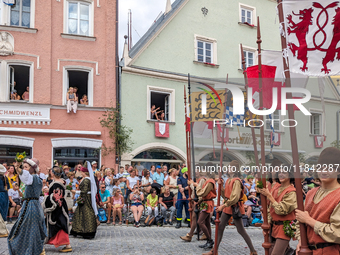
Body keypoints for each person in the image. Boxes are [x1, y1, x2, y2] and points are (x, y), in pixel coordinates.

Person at [204, 160, 258, 255]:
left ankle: (253, 251)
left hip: (234, 207)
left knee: (241, 230)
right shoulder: (228, 180)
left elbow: (235, 197)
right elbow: (226, 195)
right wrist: (221, 187)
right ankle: (214, 250)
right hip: (228, 206)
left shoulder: (237, 181)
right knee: (220, 227)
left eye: (230, 167)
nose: (228, 169)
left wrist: (222, 206)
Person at [295, 147, 340, 255]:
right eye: (321, 167)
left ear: (338, 171)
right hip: (309, 251)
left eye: (329, 168)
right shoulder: (311, 193)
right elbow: (299, 221)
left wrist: (309, 220)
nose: (323, 171)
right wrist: (301, 240)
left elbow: (337, 233)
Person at [7, 158, 47, 255]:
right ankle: (39, 249)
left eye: (26, 167)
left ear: (32, 168)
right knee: (33, 229)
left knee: (25, 229)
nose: (24, 169)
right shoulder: (37, 179)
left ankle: (29, 249)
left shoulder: (32, 178)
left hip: (31, 207)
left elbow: (24, 176)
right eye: (23, 167)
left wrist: (18, 167)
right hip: (34, 206)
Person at [258, 167, 297, 255]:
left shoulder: (292, 192)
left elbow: (281, 210)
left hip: (285, 227)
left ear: (290, 175)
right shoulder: (276, 188)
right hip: (273, 227)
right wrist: (267, 224)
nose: (281, 174)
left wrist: (269, 196)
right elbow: (270, 209)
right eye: (280, 172)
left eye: (284, 172)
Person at [43, 167, 72, 253]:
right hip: (62, 205)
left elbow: (56, 197)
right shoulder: (62, 182)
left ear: (52, 173)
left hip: (57, 207)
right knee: (61, 223)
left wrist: (47, 198)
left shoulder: (55, 184)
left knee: (60, 224)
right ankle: (66, 244)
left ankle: (68, 244)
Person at [189, 173, 216, 250]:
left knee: (200, 222)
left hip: (208, 203)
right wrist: (199, 202)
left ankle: (210, 240)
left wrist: (196, 186)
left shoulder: (210, 182)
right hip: (205, 202)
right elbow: (204, 195)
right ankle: (209, 241)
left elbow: (202, 193)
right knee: (207, 222)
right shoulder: (207, 181)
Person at [70, 166, 97, 239]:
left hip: (85, 198)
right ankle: (80, 230)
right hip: (86, 197)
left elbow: (84, 191)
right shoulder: (88, 179)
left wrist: (76, 192)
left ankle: (87, 231)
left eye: (81, 172)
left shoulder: (86, 180)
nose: (81, 173)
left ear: (84, 172)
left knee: (86, 213)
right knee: (81, 214)